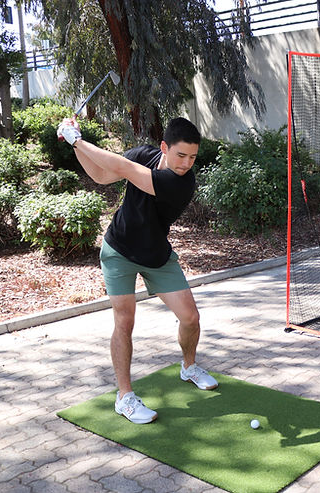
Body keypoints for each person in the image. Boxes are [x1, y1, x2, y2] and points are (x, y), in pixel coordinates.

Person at [57, 116, 218, 424]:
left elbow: (126, 170)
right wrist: (74, 143)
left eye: (193, 157)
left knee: (190, 317)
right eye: (181, 155)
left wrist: (76, 139)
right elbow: (102, 175)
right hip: (118, 251)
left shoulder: (181, 183)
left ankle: (189, 366)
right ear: (164, 148)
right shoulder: (145, 154)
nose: (186, 163)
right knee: (125, 321)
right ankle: (125, 397)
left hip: (156, 254)